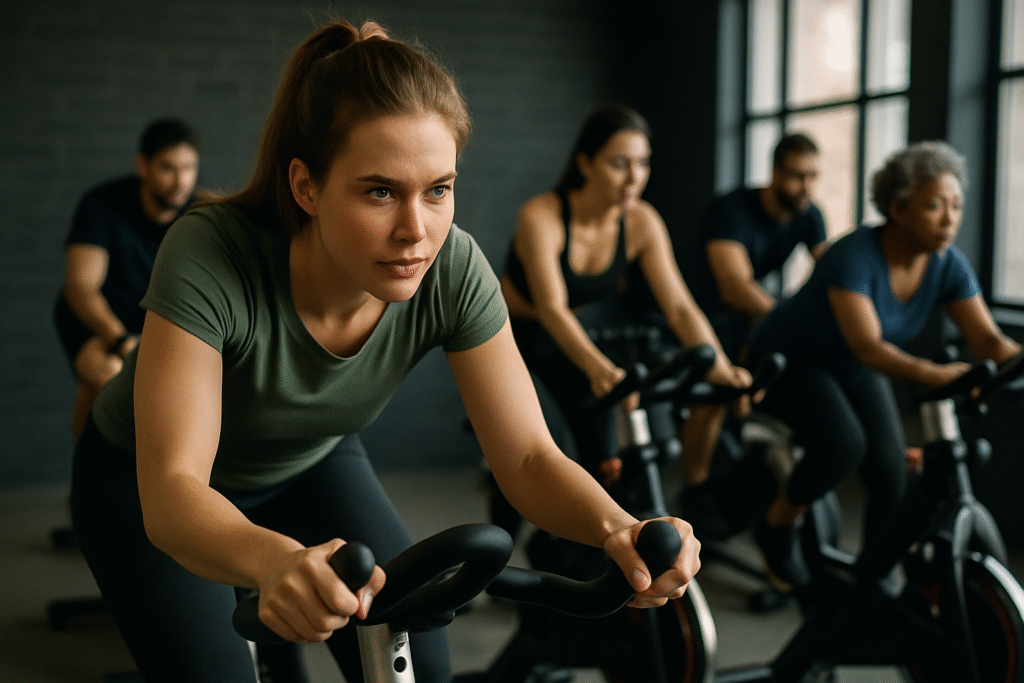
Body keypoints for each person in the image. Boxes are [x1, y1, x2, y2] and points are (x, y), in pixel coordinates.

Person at [69, 22, 701, 683]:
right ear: (306, 187)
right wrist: (272, 561)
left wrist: (617, 527)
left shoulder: (453, 268)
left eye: (438, 190)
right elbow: (174, 487)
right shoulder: (212, 254)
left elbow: (526, 456)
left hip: (307, 459)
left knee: (419, 658)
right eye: (380, 191)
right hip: (142, 481)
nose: (416, 232)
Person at [745, 140, 1020, 591]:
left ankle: (873, 580)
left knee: (891, 469)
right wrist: (938, 376)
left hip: (850, 364)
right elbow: (870, 347)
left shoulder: (947, 264)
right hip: (790, 358)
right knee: (843, 445)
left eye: (956, 206)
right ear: (898, 208)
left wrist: (1017, 365)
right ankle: (775, 528)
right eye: (934, 205)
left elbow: (989, 340)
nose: (950, 219)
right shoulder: (853, 256)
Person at [500, 104, 752, 517]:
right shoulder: (541, 216)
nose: (635, 177)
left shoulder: (641, 222)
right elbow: (552, 309)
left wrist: (720, 366)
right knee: (537, 451)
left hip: (574, 333)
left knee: (613, 455)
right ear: (585, 163)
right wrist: (600, 370)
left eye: (643, 163)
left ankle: (593, 532)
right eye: (620, 164)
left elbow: (679, 307)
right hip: (517, 336)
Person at [682, 133, 830, 523]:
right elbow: (734, 286)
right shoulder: (731, 210)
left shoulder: (808, 214)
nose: (805, 186)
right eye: (797, 176)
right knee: (715, 396)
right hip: (704, 315)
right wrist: (790, 320)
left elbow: (833, 276)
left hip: (749, 317)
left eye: (812, 176)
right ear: (775, 173)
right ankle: (697, 490)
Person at [54, 118, 200, 441]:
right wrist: (121, 341)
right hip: (92, 316)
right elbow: (80, 287)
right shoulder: (101, 205)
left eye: (189, 168)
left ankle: (95, 468)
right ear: (143, 166)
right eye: (168, 168)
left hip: (148, 318)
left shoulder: (200, 214)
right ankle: (91, 470)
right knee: (112, 378)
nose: (180, 181)